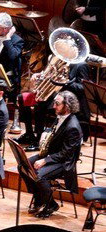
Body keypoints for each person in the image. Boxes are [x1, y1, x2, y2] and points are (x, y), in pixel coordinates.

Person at [24, 90, 83, 219]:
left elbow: (65, 154)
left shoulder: (73, 127)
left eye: (57, 103)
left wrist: (45, 160)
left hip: (63, 162)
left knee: (39, 175)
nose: (53, 106)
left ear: (66, 106)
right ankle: (40, 197)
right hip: (52, 155)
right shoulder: (60, 117)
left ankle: (50, 204)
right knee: (23, 166)